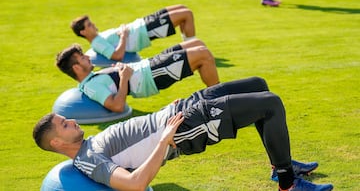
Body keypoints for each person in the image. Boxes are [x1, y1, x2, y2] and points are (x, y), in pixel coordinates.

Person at [33, 77, 333, 191]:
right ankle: (287, 183)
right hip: (182, 129)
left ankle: (279, 166)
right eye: (64, 123)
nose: (71, 120)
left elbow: (136, 131)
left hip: (177, 111)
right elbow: (135, 184)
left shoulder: (88, 142)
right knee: (270, 104)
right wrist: (164, 140)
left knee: (259, 85)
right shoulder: (88, 160)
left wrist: (166, 111)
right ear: (57, 143)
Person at [56, 39, 219, 112]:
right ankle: (217, 99)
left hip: (149, 65)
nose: (88, 57)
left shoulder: (92, 78)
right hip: (151, 76)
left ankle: (217, 95)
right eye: (83, 58)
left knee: (196, 44)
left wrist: (119, 69)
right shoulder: (91, 87)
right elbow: (117, 106)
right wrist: (125, 77)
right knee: (202, 54)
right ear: (77, 68)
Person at [71, 4, 196, 61]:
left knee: (182, 8)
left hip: (142, 23)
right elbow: (117, 56)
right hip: (145, 31)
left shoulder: (99, 37)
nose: (93, 24)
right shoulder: (96, 43)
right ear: (83, 32)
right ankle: (192, 48)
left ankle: (190, 47)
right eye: (89, 25)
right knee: (186, 14)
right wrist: (124, 36)